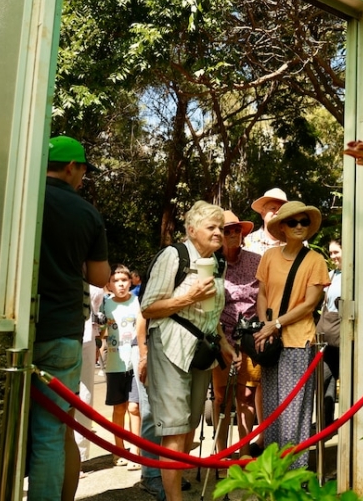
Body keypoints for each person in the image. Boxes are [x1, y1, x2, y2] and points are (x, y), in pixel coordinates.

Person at [29, 135, 110, 501]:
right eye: (82, 170)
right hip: (62, 330)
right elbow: (98, 277)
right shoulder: (87, 213)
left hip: (17, 328)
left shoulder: (22, 196)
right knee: (50, 433)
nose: (82, 178)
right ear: (71, 167)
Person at [140, 200, 239, 501]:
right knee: (174, 430)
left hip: (201, 350)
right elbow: (148, 308)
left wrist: (223, 344)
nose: (219, 233)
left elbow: (212, 313)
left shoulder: (218, 263)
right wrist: (188, 297)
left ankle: (172, 488)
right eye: (212, 227)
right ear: (192, 229)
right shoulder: (174, 256)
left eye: (221, 228)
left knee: (189, 427)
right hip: (170, 347)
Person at [251, 201, 330, 469]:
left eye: (304, 222)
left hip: (298, 341)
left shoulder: (315, 260)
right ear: (282, 227)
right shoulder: (269, 257)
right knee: (272, 407)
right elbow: (262, 293)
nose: (299, 226)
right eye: (293, 222)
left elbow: (310, 303)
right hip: (270, 340)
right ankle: (274, 470)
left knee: (294, 409)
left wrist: (276, 324)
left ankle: (295, 473)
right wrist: (265, 325)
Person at [211, 211, 262, 457]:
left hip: (250, 338)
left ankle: (244, 452)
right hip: (221, 339)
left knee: (247, 395)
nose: (232, 234)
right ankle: (221, 454)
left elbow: (264, 297)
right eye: (227, 230)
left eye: (236, 230)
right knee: (221, 397)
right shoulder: (211, 264)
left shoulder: (256, 261)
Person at [101, 264, 143, 470]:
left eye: (124, 280)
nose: (121, 284)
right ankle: (118, 450)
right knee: (119, 408)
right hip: (114, 364)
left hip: (135, 363)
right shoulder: (105, 305)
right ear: (109, 284)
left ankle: (136, 451)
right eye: (116, 281)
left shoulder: (138, 302)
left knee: (134, 408)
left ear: (131, 282)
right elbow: (100, 332)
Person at [76, 283, 104, 463]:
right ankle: (77, 456)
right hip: (84, 334)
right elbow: (97, 292)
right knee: (83, 395)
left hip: (81, 334)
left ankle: (77, 456)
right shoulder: (89, 272)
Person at [318, 239, 342, 427]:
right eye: (331, 253)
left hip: (345, 338)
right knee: (325, 378)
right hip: (328, 337)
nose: (333, 257)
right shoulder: (331, 275)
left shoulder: (355, 277)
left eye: (336, 252)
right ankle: (324, 422)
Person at [244, 188, 288, 255]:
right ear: (262, 214)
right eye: (273, 208)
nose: (278, 212)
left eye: (281, 209)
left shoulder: (295, 242)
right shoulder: (248, 243)